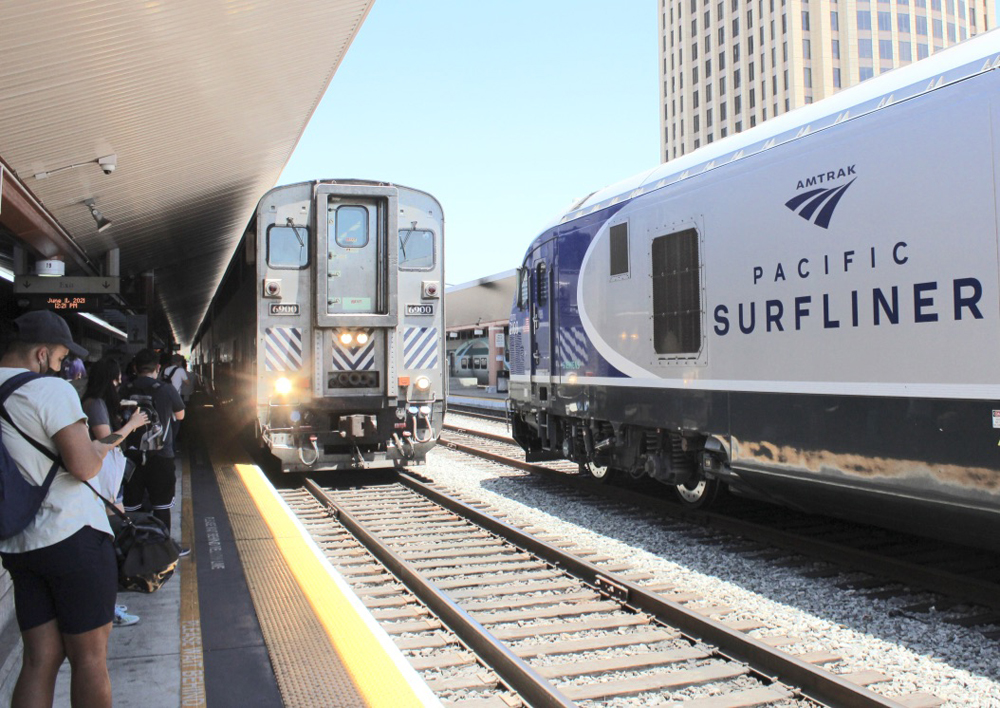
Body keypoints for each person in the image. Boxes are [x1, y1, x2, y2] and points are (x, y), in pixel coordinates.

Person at [0, 311, 125, 708]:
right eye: (58, 359)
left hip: (19, 545)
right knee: (89, 659)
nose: (62, 367)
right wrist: (101, 447)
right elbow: (84, 465)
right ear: (40, 354)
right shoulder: (49, 391)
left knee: (40, 659)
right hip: (72, 538)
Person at [81, 358, 149, 628]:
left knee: (112, 541)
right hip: (103, 479)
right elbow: (105, 442)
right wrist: (131, 424)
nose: (120, 383)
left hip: (105, 478)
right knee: (109, 544)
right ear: (108, 379)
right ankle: (107, 607)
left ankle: (108, 604)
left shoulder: (95, 403)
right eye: (116, 379)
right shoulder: (95, 405)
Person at [122, 349, 186, 541]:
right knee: (162, 505)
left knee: (131, 505)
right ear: (158, 368)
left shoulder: (125, 388)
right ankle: (163, 546)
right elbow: (180, 416)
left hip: (130, 456)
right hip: (161, 454)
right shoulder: (166, 389)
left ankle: (131, 545)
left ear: (135, 367)